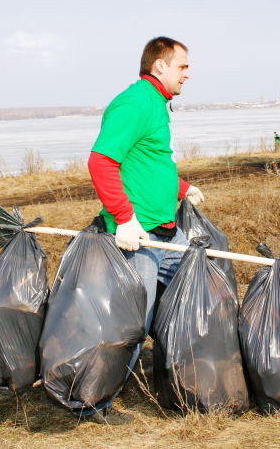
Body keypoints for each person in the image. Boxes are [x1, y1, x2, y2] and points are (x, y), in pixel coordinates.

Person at [86, 36, 203, 424]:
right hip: (139, 237)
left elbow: (150, 161)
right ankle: (94, 404)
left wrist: (182, 188)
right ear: (159, 67)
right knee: (130, 323)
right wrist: (123, 218)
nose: (189, 73)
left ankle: (190, 385)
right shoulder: (136, 102)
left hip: (168, 234)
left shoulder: (156, 103)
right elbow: (102, 162)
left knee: (199, 297)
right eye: (183, 66)